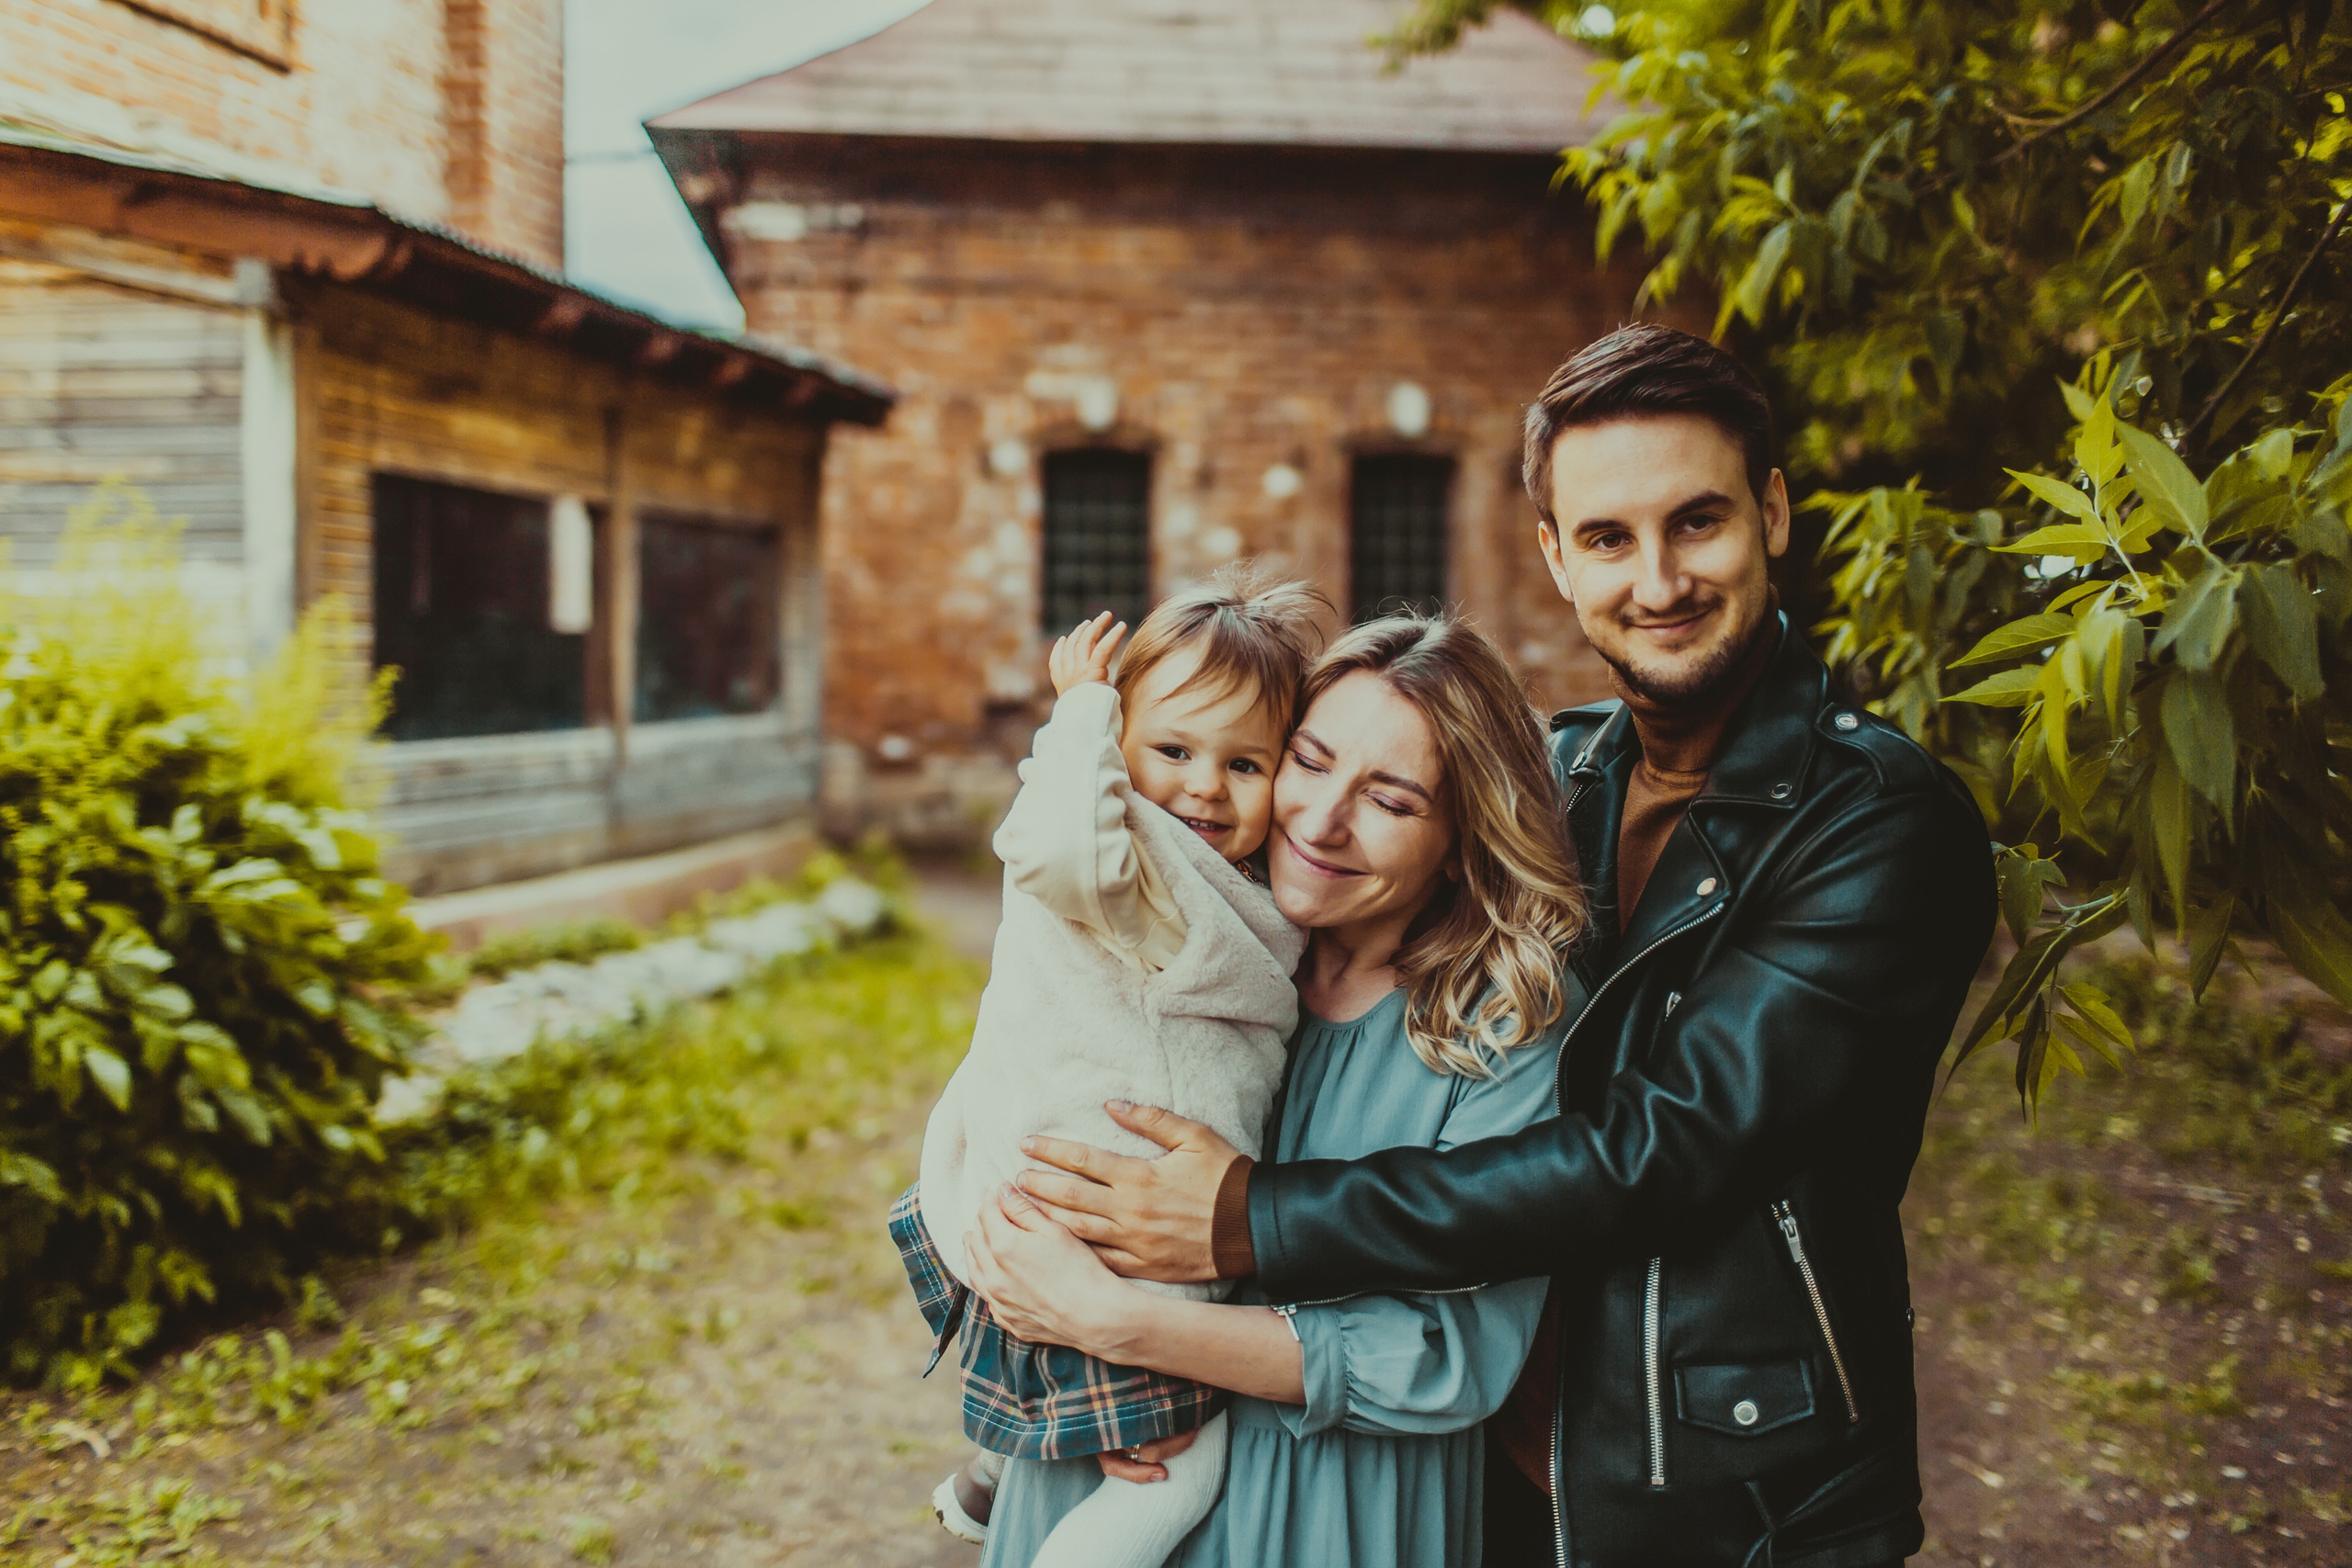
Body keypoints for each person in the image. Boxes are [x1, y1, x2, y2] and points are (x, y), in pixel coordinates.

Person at [1011, 324, 2000, 1567]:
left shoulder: (1875, 819)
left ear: (1775, 513)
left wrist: (1251, 1215)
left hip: (1728, 1486)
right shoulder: (1567, 772)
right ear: (1556, 556)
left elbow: (1664, 1151)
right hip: (1510, 1478)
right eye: (1605, 536)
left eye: (1697, 521)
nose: (1656, 578)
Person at [962, 613, 1591, 1568]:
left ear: (1464, 838)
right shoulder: (1188, 941)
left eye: (1391, 799)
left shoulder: (1502, 1025)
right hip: (1098, 1455)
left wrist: (1123, 1326)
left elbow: (1450, 1355)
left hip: (1331, 1510)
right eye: (1307, 760)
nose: (1320, 819)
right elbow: (1014, 1111)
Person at [894, 564, 1324, 1568]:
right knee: (1182, 1466)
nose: (1204, 787)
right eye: (1171, 749)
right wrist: (1078, 712)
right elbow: (1050, 849)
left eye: (1245, 765)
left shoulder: (1204, 872)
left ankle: (993, 1474)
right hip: (1108, 1226)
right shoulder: (1124, 860)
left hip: (1071, 1188)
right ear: (1118, 752)